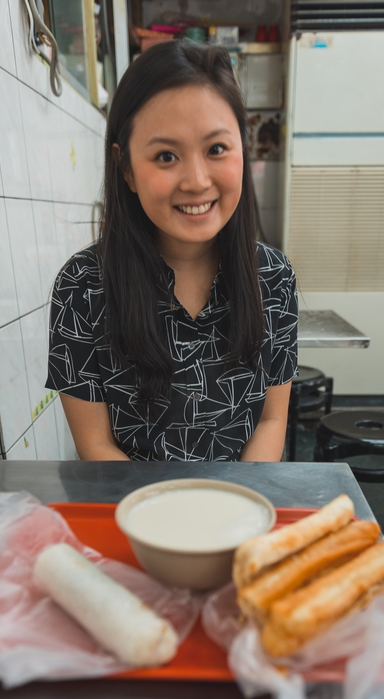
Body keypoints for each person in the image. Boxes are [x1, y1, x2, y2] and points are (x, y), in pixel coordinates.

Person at [45, 39, 297, 462]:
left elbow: (271, 420)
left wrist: (238, 516)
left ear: (243, 147)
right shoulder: (82, 286)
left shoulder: (272, 277)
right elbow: (96, 445)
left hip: (241, 513)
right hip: (134, 514)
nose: (197, 181)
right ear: (125, 167)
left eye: (216, 149)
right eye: (166, 156)